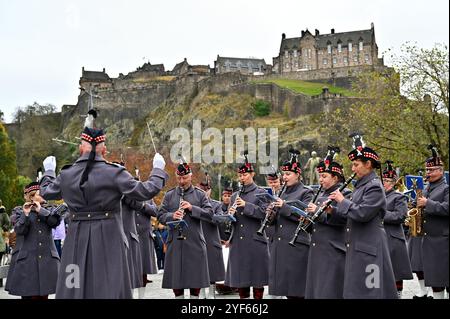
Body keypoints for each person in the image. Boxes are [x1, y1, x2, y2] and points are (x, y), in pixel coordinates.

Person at [39, 116, 168, 299]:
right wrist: (157, 170)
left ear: (81, 147)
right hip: (111, 239)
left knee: (73, 286)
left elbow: (45, 191)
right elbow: (146, 191)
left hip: (75, 238)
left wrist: (49, 171)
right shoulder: (114, 173)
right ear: (104, 149)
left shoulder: (67, 175)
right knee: (110, 287)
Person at [328, 133, 397, 299]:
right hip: (359, 248)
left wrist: (341, 200)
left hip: (369, 249)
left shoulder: (374, 187)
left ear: (368, 164)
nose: (352, 169)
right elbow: (351, 214)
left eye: (356, 164)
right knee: (356, 292)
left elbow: (362, 213)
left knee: (371, 292)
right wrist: (332, 211)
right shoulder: (361, 186)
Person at [158, 159, 213, 299]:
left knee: (196, 282)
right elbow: (160, 215)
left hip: (195, 242)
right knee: (177, 282)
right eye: (179, 178)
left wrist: (192, 208)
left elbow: (210, 214)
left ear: (191, 176)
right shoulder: (169, 195)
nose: (182, 181)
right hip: (175, 243)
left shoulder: (200, 194)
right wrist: (172, 216)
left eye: (185, 178)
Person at [305, 147, 351, 299]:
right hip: (317, 248)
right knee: (317, 291)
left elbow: (343, 219)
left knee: (331, 291)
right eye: (320, 176)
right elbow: (316, 223)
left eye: (324, 176)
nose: (320, 179)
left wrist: (318, 212)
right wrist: (306, 220)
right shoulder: (319, 193)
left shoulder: (345, 193)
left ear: (335, 178)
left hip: (334, 249)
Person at [269, 149, 314, 299]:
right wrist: (270, 214)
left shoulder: (306, 192)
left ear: (298, 174)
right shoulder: (281, 192)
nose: (284, 177)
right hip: (280, 246)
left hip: (296, 246)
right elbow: (274, 220)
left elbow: (306, 217)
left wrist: (284, 207)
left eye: (288, 174)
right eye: (284, 174)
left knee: (297, 290)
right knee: (286, 291)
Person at [224, 151, 269, 299]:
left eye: (245, 174)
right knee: (241, 282)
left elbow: (265, 214)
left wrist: (246, 205)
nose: (242, 177)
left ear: (252, 174)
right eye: (240, 175)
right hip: (238, 243)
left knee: (257, 282)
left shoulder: (261, 192)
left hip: (255, 242)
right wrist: (230, 215)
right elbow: (231, 222)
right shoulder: (234, 196)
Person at [5, 182, 61, 299]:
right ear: (31, 196)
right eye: (37, 194)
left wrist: (41, 210)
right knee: (27, 294)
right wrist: (25, 214)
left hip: (46, 260)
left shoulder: (50, 210)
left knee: (44, 295)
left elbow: (54, 222)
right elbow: (20, 230)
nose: (41, 196)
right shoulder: (20, 211)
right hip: (27, 261)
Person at [416, 145, 449, 299]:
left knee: (444, 278)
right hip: (429, 239)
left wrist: (427, 203)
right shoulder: (428, 187)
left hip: (443, 240)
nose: (428, 173)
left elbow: (447, 208)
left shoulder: (446, 188)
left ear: (440, 171)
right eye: (427, 170)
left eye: (431, 170)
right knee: (435, 278)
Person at [381, 161, 413, 298]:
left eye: (388, 180)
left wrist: (380, 215)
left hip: (393, 238)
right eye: (383, 180)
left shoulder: (399, 197)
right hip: (380, 237)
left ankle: (397, 295)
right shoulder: (377, 196)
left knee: (395, 271)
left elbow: (400, 216)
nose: (384, 183)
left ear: (394, 182)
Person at [197, 173, 226, 299]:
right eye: (201, 190)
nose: (204, 192)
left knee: (212, 271)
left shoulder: (216, 205)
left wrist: (206, 214)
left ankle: (211, 294)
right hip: (198, 240)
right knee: (199, 270)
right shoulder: (193, 204)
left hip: (212, 240)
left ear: (210, 190)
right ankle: (201, 294)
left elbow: (219, 220)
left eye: (206, 189)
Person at [0, 200, 11, 265]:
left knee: (1, 250)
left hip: (1, 234)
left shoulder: (3, 213)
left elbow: (7, 222)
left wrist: (4, 230)